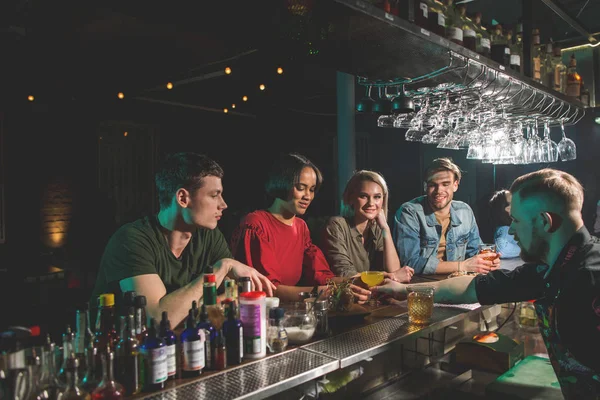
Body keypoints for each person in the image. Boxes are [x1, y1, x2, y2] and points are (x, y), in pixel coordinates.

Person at [374, 168, 600, 399]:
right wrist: (404, 291)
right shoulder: (547, 270)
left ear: (544, 222)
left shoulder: (591, 279)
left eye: (516, 220)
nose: (511, 230)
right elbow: (470, 288)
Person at [90, 152, 275, 328]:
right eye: (214, 195)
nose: (223, 205)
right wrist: (223, 267)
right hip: (122, 355)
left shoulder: (208, 235)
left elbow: (228, 298)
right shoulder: (131, 240)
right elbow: (158, 319)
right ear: (183, 198)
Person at [230, 153, 368, 303]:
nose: (308, 196)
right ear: (282, 183)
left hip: (291, 312)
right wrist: (325, 292)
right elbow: (267, 290)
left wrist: (356, 281)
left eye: (312, 189)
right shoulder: (256, 224)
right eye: (301, 188)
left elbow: (320, 275)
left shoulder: (301, 227)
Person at [392, 157, 499, 275]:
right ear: (425, 186)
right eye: (433, 185)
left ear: (455, 185)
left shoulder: (465, 211)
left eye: (445, 184)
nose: (439, 190)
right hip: (422, 284)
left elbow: (474, 252)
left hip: (458, 281)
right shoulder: (409, 212)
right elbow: (410, 262)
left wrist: (486, 261)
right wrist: (462, 266)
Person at [321, 170, 414, 282]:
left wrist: (385, 229)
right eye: (363, 196)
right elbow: (345, 274)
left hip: (370, 295)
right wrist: (389, 276)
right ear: (350, 198)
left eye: (377, 197)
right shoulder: (336, 225)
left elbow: (393, 269)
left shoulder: (378, 228)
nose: (371, 203)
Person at [489, 189, 520, 259]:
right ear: (508, 209)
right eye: (514, 200)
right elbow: (501, 249)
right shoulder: (505, 229)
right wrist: (528, 251)